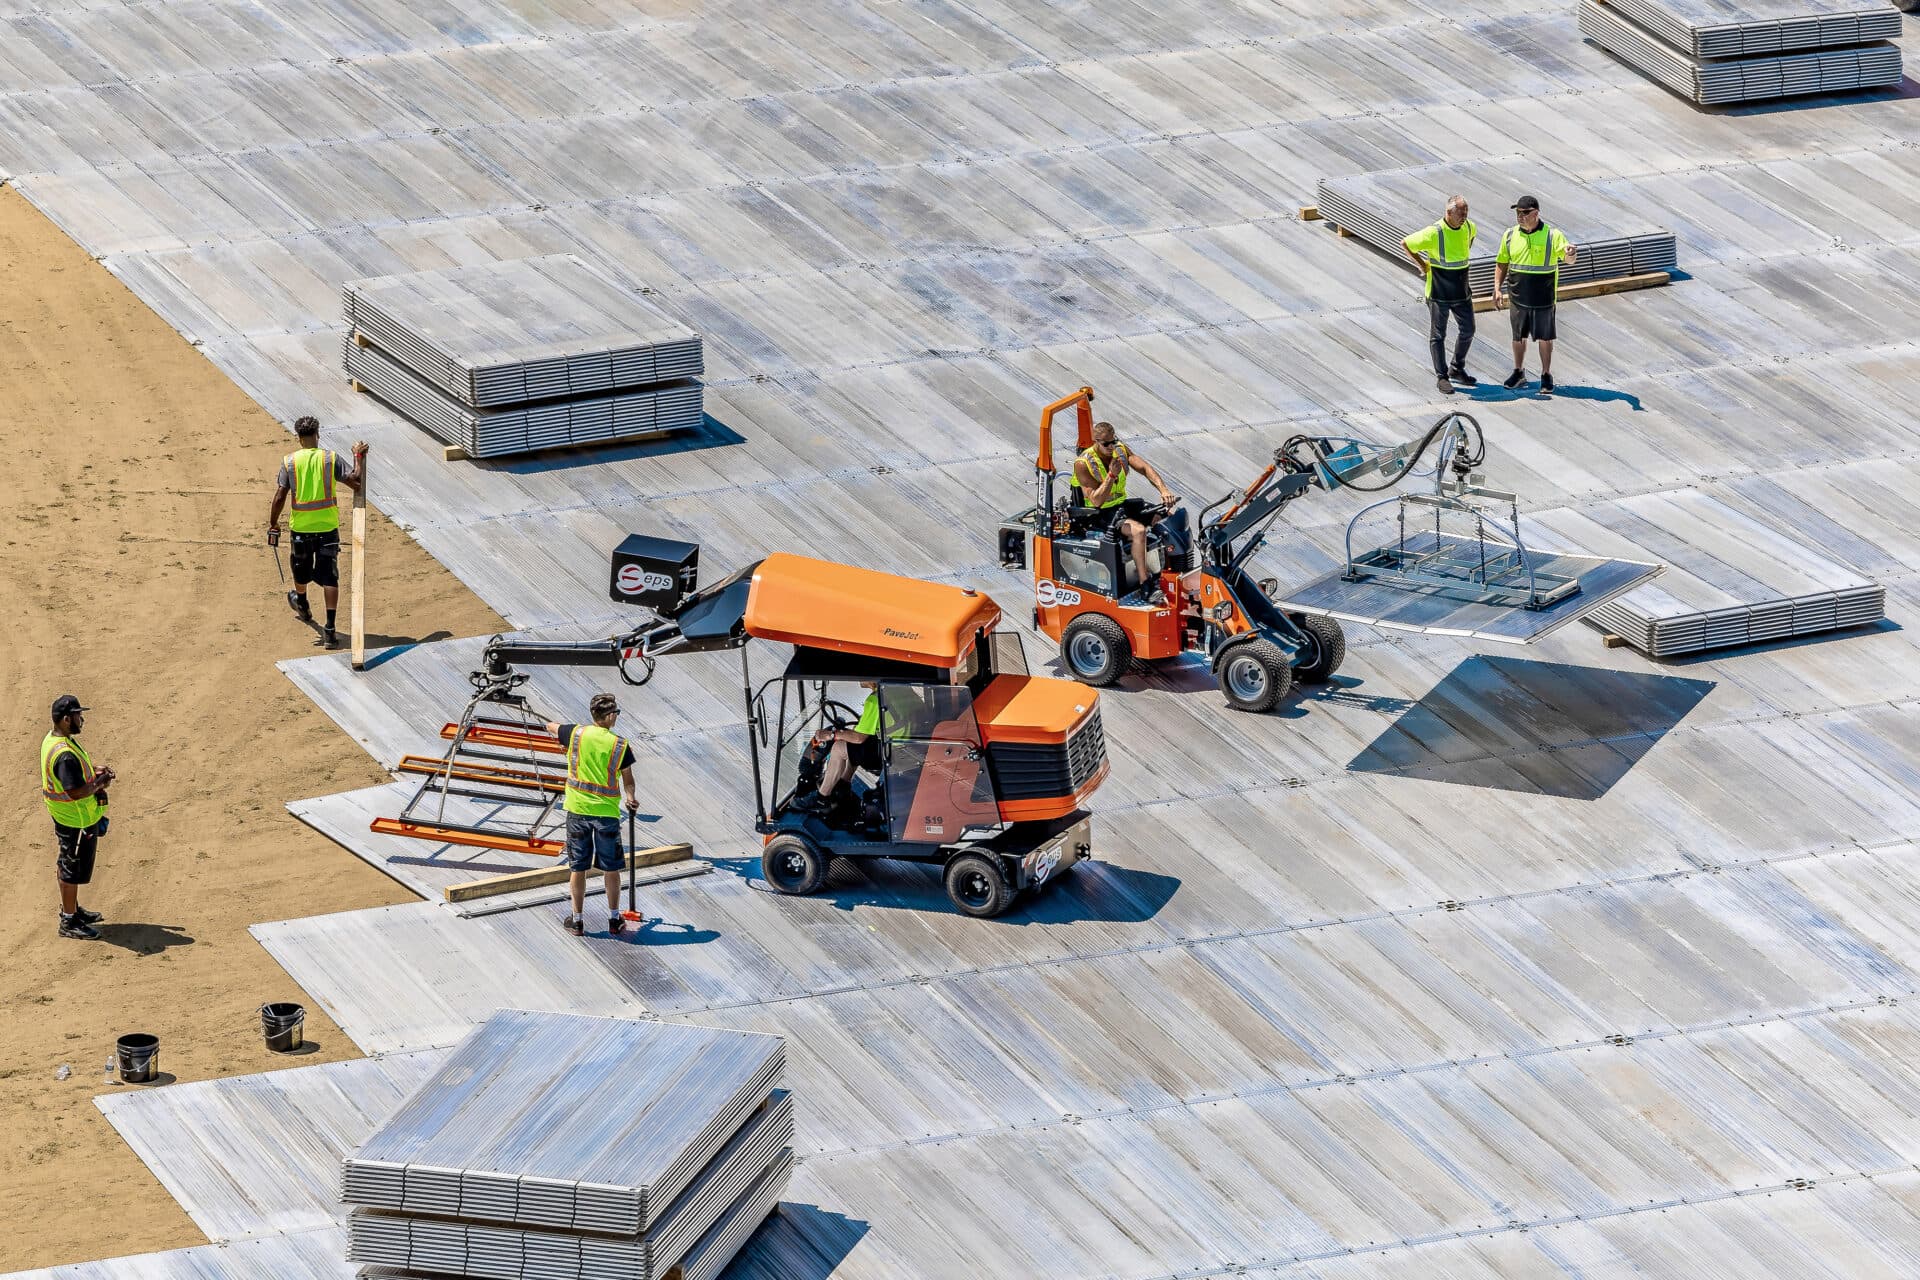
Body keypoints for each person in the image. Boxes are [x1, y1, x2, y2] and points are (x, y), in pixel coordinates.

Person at [545, 693, 641, 937]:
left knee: (578, 868)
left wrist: (562, 740)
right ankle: (614, 918)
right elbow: (628, 780)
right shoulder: (619, 745)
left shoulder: (576, 734)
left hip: (577, 811)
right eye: (616, 713)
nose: (616, 717)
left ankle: (577, 921)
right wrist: (630, 798)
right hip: (606, 815)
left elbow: (550, 726)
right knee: (611, 868)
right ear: (609, 716)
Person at [267, 417, 367, 647]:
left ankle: (302, 603)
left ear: (299, 438)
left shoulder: (290, 461)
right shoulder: (330, 459)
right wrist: (357, 456)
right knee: (330, 576)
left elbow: (280, 496)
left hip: (301, 529)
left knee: (299, 570)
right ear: (317, 435)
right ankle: (330, 629)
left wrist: (273, 523)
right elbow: (355, 480)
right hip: (327, 528)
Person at [1074, 420, 1178, 603]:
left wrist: (1163, 490)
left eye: (1113, 441)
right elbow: (1096, 501)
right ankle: (1145, 584)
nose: (1111, 447)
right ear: (1096, 442)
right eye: (1106, 444)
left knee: (1165, 516)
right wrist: (1111, 475)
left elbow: (1144, 468)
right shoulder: (1083, 463)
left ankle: (1170, 571)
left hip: (1121, 506)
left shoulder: (1120, 450)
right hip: (1100, 514)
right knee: (1138, 531)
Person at [41, 695, 114, 941]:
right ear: (65, 719)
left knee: (67, 864)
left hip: (69, 817)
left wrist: (92, 772)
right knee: (70, 869)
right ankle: (69, 920)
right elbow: (75, 792)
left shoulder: (55, 740)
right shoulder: (64, 755)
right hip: (75, 820)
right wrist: (100, 783)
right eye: (77, 715)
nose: (81, 719)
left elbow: (73, 775)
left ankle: (71, 908)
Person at [1492, 195, 1577, 395]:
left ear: (1536, 213)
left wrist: (1571, 253)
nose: (1520, 216)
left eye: (1524, 213)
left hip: (1543, 297)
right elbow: (1502, 262)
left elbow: (1568, 259)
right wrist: (1496, 288)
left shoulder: (1552, 235)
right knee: (1518, 337)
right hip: (1518, 296)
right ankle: (1518, 372)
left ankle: (1546, 375)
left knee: (1545, 338)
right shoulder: (1510, 235)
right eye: (1518, 213)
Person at [1402, 195, 1478, 395]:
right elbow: (1406, 243)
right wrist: (1422, 265)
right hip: (1439, 292)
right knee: (1438, 335)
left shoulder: (1469, 227)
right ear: (1448, 213)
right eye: (1460, 214)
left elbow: (1471, 237)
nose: (1464, 217)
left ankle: (1457, 368)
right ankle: (1442, 376)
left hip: (1461, 291)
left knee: (1468, 329)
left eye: (1466, 213)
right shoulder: (1434, 233)